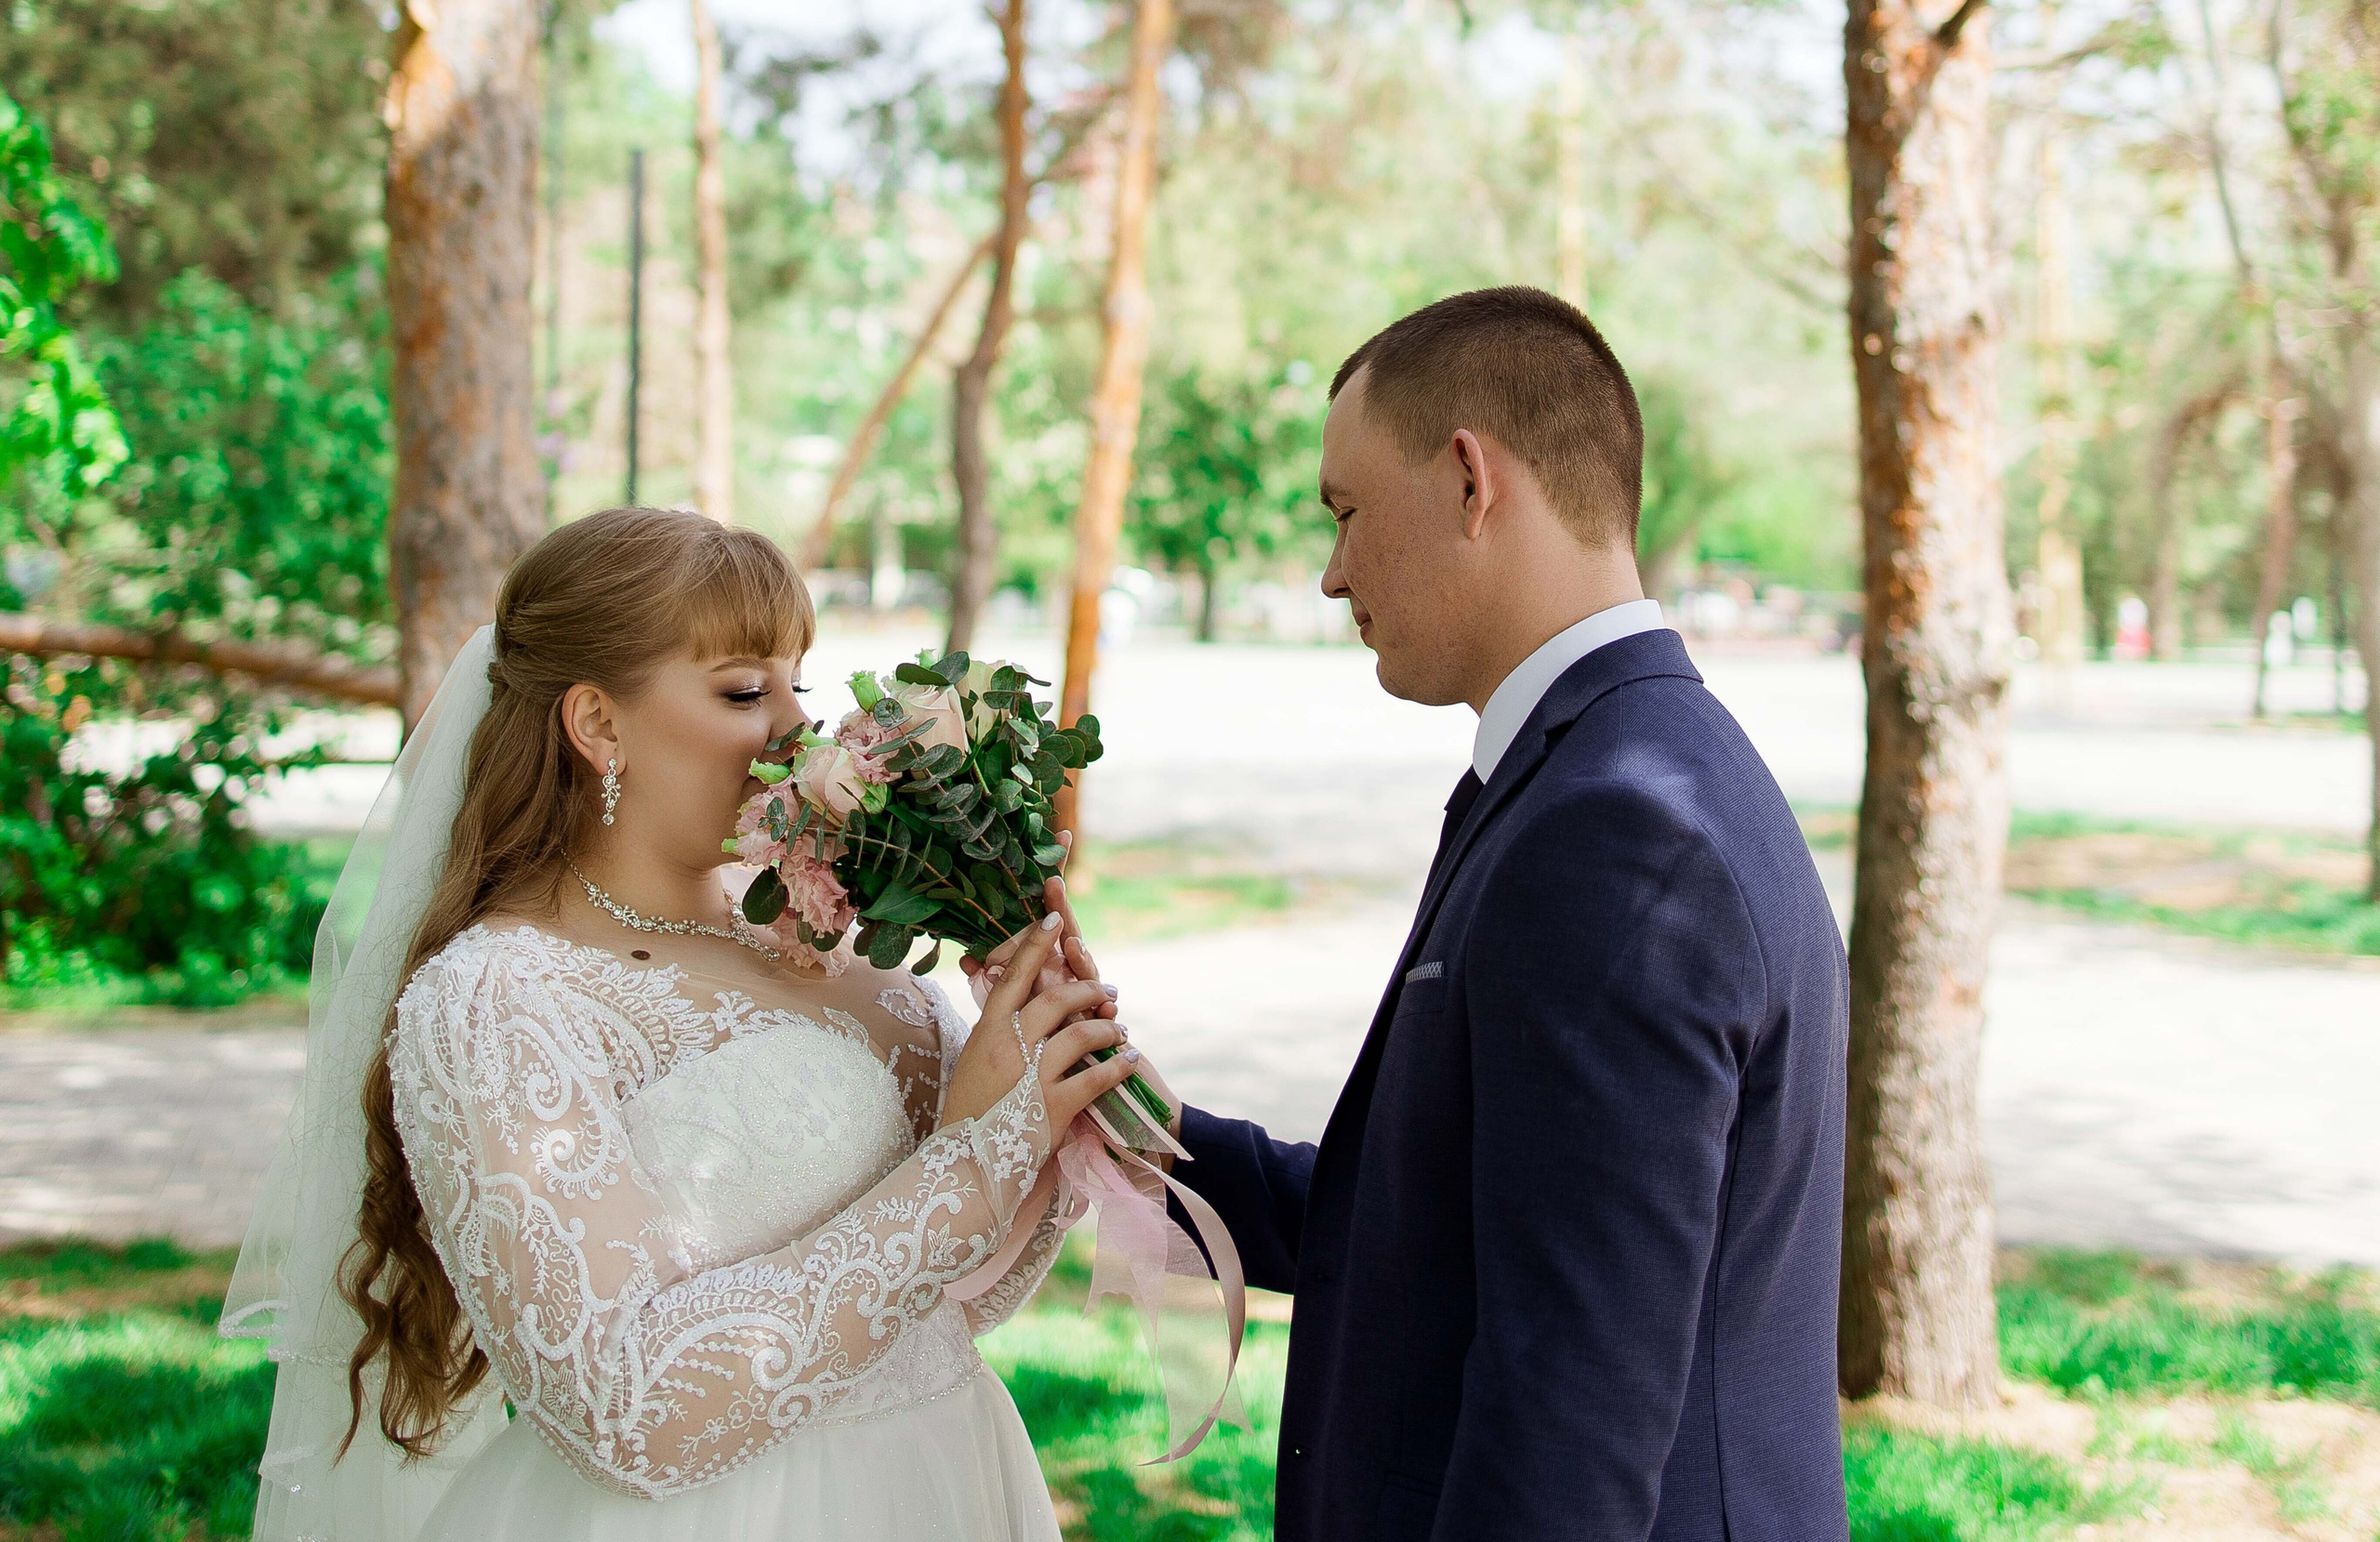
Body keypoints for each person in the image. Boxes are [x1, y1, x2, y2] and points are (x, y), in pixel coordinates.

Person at [220, 507, 1149, 1542]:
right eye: (744, 689)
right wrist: (972, 1167)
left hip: (944, 1483)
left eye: (800, 681)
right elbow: (625, 1412)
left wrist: (1052, 1111)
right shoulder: (498, 999)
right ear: (598, 724)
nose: (798, 725)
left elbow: (936, 1306)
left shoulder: (833, 938)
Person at [1162, 287, 1852, 1541]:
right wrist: (1123, 1122)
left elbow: (1568, 1419)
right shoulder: (1629, 764)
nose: (1331, 573)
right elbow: (1432, 1226)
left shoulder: (1619, 829)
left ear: (1473, 482)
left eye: (1348, 511)